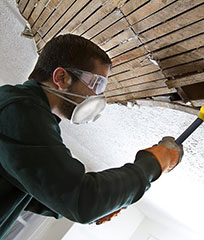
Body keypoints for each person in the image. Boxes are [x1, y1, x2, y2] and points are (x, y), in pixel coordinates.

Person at [0, 34, 183, 239]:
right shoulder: (19, 110)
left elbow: (36, 190)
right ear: (61, 78)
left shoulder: (22, 111)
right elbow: (83, 200)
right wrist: (154, 163)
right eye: (96, 85)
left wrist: (103, 204)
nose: (97, 97)